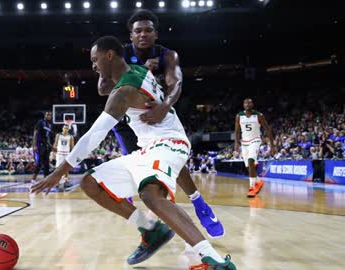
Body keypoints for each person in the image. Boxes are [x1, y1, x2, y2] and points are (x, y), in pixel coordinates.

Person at [32, 36, 236, 270]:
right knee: (91, 183)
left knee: (150, 194)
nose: (93, 66)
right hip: (148, 148)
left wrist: (59, 172)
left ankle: (214, 260)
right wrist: (104, 70)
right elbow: (103, 87)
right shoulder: (137, 70)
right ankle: (151, 230)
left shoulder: (125, 90)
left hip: (170, 142)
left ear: (109, 55)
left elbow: (94, 135)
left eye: (95, 60)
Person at [97, 9, 224, 242]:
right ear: (131, 35)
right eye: (138, 31)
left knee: (172, 159)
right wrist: (141, 70)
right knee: (143, 169)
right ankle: (151, 226)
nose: (143, 34)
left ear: (156, 34)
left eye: (148, 30)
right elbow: (103, 89)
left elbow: (176, 84)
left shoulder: (168, 55)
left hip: (157, 111)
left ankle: (198, 203)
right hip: (128, 120)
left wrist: (165, 105)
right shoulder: (119, 54)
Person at [234, 98, 276, 197]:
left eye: (249, 103)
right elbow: (237, 131)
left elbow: (268, 129)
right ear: (243, 105)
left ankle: (252, 187)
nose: (247, 104)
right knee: (248, 166)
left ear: (252, 104)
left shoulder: (259, 115)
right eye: (245, 103)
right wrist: (236, 142)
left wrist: (272, 145)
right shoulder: (239, 116)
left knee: (250, 161)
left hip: (255, 140)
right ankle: (258, 181)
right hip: (244, 142)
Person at [31, 111, 54, 182]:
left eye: (50, 115)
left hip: (46, 146)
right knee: (39, 162)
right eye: (48, 115)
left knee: (46, 164)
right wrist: (34, 145)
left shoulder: (50, 125)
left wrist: (51, 146)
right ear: (45, 115)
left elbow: (48, 137)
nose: (49, 116)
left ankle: (45, 180)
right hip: (39, 145)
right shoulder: (40, 122)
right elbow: (35, 133)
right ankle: (33, 180)